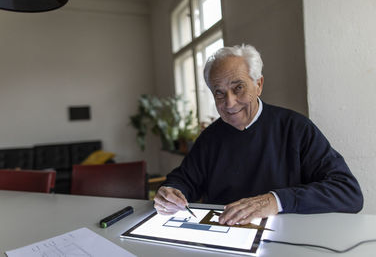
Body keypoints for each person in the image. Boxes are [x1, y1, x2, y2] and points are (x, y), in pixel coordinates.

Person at [154, 43, 363, 226]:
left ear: (259, 85)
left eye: (238, 88)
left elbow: (348, 192)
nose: (229, 103)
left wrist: (275, 201)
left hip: (287, 240)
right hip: (225, 236)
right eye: (219, 92)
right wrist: (172, 192)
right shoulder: (210, 138)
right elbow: (185, 179)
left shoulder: (296, 128)